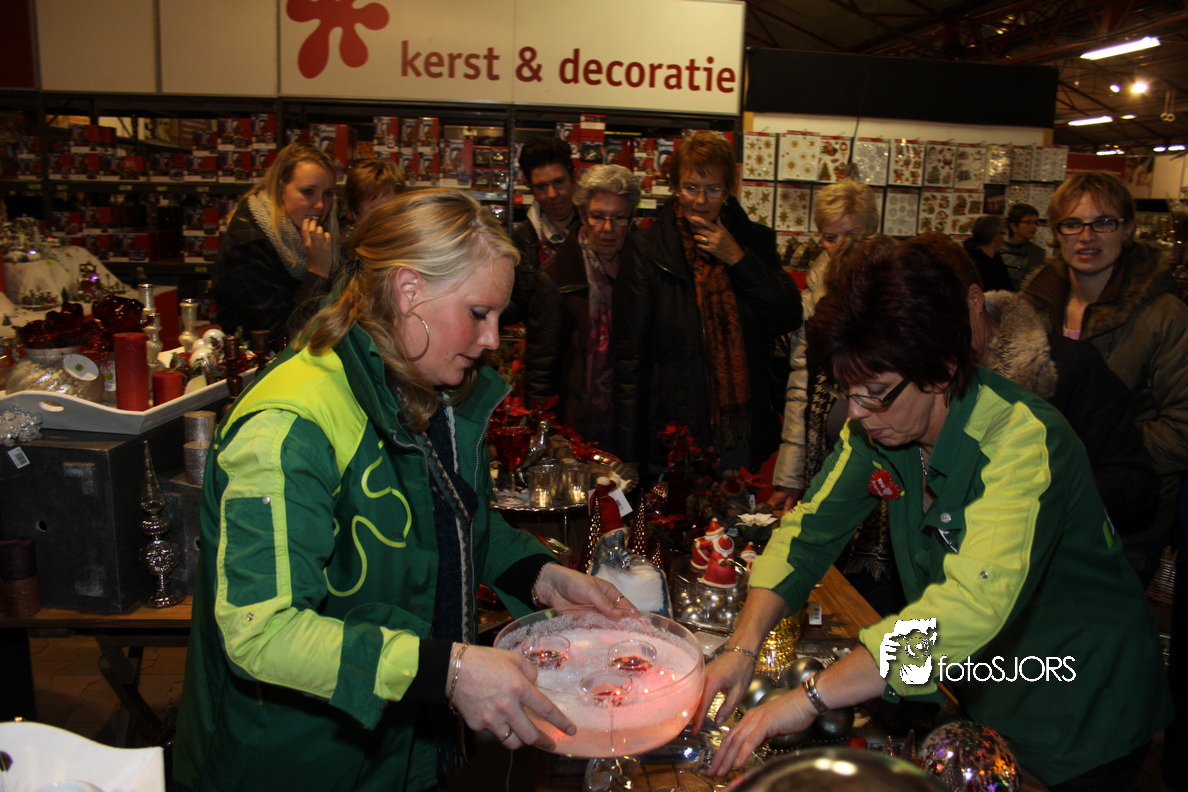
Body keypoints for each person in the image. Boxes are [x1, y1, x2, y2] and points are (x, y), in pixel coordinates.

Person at [173, 190, 628, 792]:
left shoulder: (422, 384)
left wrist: (539, 577)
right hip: (295, 760)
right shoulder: (289, 426)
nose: (493, 339)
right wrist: (449, 670)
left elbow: (451, 524)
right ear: (408, 290)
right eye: (478, 312)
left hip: (393, 744)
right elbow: (262, 631)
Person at [700, 237, 1170, 791]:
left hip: (1079, 705)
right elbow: (807, 533)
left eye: (876, 392)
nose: (857, 413)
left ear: (942, 369)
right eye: (848, 391)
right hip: (981, 688)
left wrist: (811, 698)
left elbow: (968, 607)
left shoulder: (1022, 440)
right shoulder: (878, 427)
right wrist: (742, 646)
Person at [920, 229, 1157, 538]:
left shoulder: (1067, 367)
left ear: (974, 299)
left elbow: (1135, 483)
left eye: (937, 320)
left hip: (1063, 551)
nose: (928, 337)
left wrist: (1034, 500)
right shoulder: (928, 376)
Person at [1021, 171, 1188, 584]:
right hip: (1035, 505)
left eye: (1104, 223)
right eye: (1073, 224)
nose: (1087, 236)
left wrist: (1090, 453)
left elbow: (1182, 428)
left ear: (1127, 229)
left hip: (1122, 517)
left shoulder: (1165, 315)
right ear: (1055, 233)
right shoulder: (1032, 308)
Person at [613, 131, 802, 475]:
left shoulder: (755, 242)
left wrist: (738, 258)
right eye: (690, 187)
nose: (700, 200)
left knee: (734, 510)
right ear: (675, 187)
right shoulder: (647, 248)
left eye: (713, 189)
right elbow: (630, 359)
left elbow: (787, 314)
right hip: (672, 433)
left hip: (738, 432)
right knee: (667, 511)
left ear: (729, 190)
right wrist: (628, 452)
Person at [769, 179, 881, 511]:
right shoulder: (814, 294)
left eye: (853, 236)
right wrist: (790, 475)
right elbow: (800, 386)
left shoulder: (892, 287)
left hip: (882, 449)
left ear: (872, 231)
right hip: (827, 447)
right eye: (831, 237)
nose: (841, 247)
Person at [524, 164, 641, 448]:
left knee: (642, 481)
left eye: (618, 217)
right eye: (598, 216)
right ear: (582, 215)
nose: (607, 229)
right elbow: (541, 369)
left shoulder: (645, 269)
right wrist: (544, 436)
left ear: (632, 217)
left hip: (639, 425)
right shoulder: (557, 277)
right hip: (579, 428)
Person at [212, 141, 339, 346]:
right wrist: (318, 272)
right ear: (281, 189)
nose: (321, 205)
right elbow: (284, 340)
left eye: (328, 194)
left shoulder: (305, 235)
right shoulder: (249, 245)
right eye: (308, 191)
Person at [288, 158, 410, 339]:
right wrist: (318, 272)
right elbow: (299, 332)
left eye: (393, 211)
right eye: (373, 213)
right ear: (355, 215)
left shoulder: (417, 255)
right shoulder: (346, 263)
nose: (385, 222)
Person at [503, 136, 580, 326]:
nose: (552, 194)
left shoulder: (600, 228)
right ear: (530, 187)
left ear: (574, 177)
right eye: (542, 187)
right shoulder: (522, 240)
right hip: (544, 342)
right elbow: (519, 305)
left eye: (559, 182)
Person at [961, 214, 1013, 292]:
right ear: (997, 236)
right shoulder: (973, 266)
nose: (1003, 239)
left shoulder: (997, 261)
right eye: (1002, 233)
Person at [1000, 202, 1046, 287]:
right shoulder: (998, 247)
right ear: (1014, 226)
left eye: (1035, 222)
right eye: (1028, 222)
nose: (1034, 226)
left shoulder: (1038, 253)